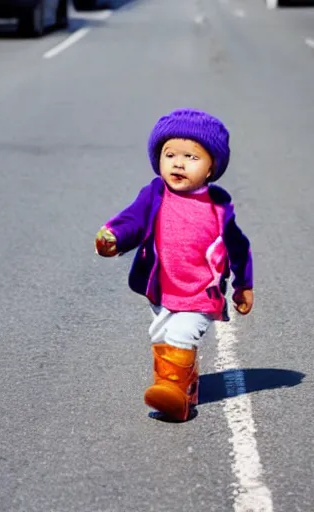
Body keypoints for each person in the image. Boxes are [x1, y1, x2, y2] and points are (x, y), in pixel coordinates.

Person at [94, 108, 253, 422]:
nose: (178, 163)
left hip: (201, 293)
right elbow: (132, 220)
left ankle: (172, 394)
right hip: (162, 288)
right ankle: (185, 386)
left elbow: (239, 247)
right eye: (170, 155)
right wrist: (113, 237)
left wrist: (243, 285)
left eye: (192, 157)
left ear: (211, 168)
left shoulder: (219, 206)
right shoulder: (154, 193)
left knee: (181, 335)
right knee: (163, 336)